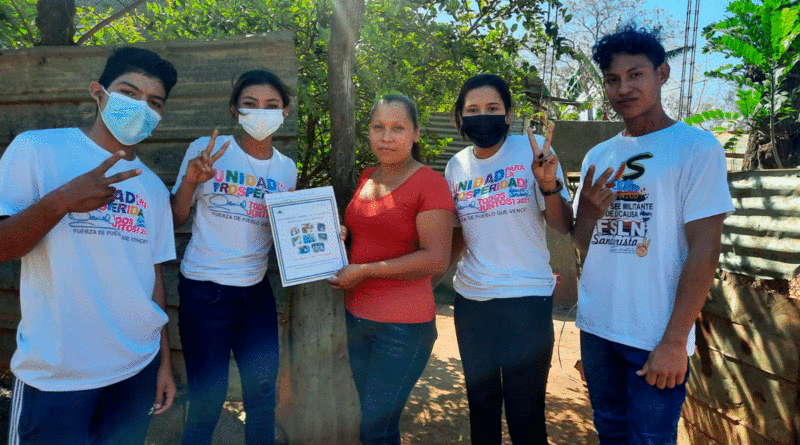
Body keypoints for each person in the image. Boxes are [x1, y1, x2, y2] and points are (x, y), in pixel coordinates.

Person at [0, 47, 178, 444]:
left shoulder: (150, 186)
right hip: (58, 375)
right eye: (129, 93)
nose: (140, 107)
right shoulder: (38, 150)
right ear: (98, 93)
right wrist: (61, 201)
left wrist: (164, 363)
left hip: (137, 367)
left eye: (153, 102)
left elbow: (152, 276)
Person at [572, 25, 734, 444]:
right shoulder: (599, 155)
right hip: (598, 328)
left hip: (654, 335)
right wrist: (587, 213)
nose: (623, 88)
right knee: (609, 429)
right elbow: (587, 244)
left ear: (661, 74)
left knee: (650, 438)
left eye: (635, 74)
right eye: (612, 79)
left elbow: (705, 247)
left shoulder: (696, 148)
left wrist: (675, 340)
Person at [443, 73, 573, 444]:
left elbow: (562, 225)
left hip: (526, 302)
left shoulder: (532, 154)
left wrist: (548, 184)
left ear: (508, 113)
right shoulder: (456, 167)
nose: (482, 116)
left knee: (525, 415)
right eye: (473, 109)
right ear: (461, 116)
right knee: (481, 411)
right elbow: (457, 235)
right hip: (472, 303)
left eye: (492, 108)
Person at [171, 69, 297, 445]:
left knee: (261, 398)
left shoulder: (286, 169)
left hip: (256, 294)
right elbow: (176, 216)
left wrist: (323, 238)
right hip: (205, 292)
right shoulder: (208, 151)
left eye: (271, 106)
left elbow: (283, 231)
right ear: (234, 109)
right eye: (250, 104)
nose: (261, 112)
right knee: (207, 404)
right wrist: (192, 180)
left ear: (284, 113)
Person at [327, 94, 453, 445]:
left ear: (415, 134)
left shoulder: (430, 183)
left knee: (375, 429)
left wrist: (364, 271)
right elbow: (370, 229)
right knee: (376, 426)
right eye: (377, 127)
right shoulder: (368, 176)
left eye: (398, 128)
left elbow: (435, 259)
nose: (386, 137)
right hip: (357, 316)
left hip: (403, 328)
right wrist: (343, 234)